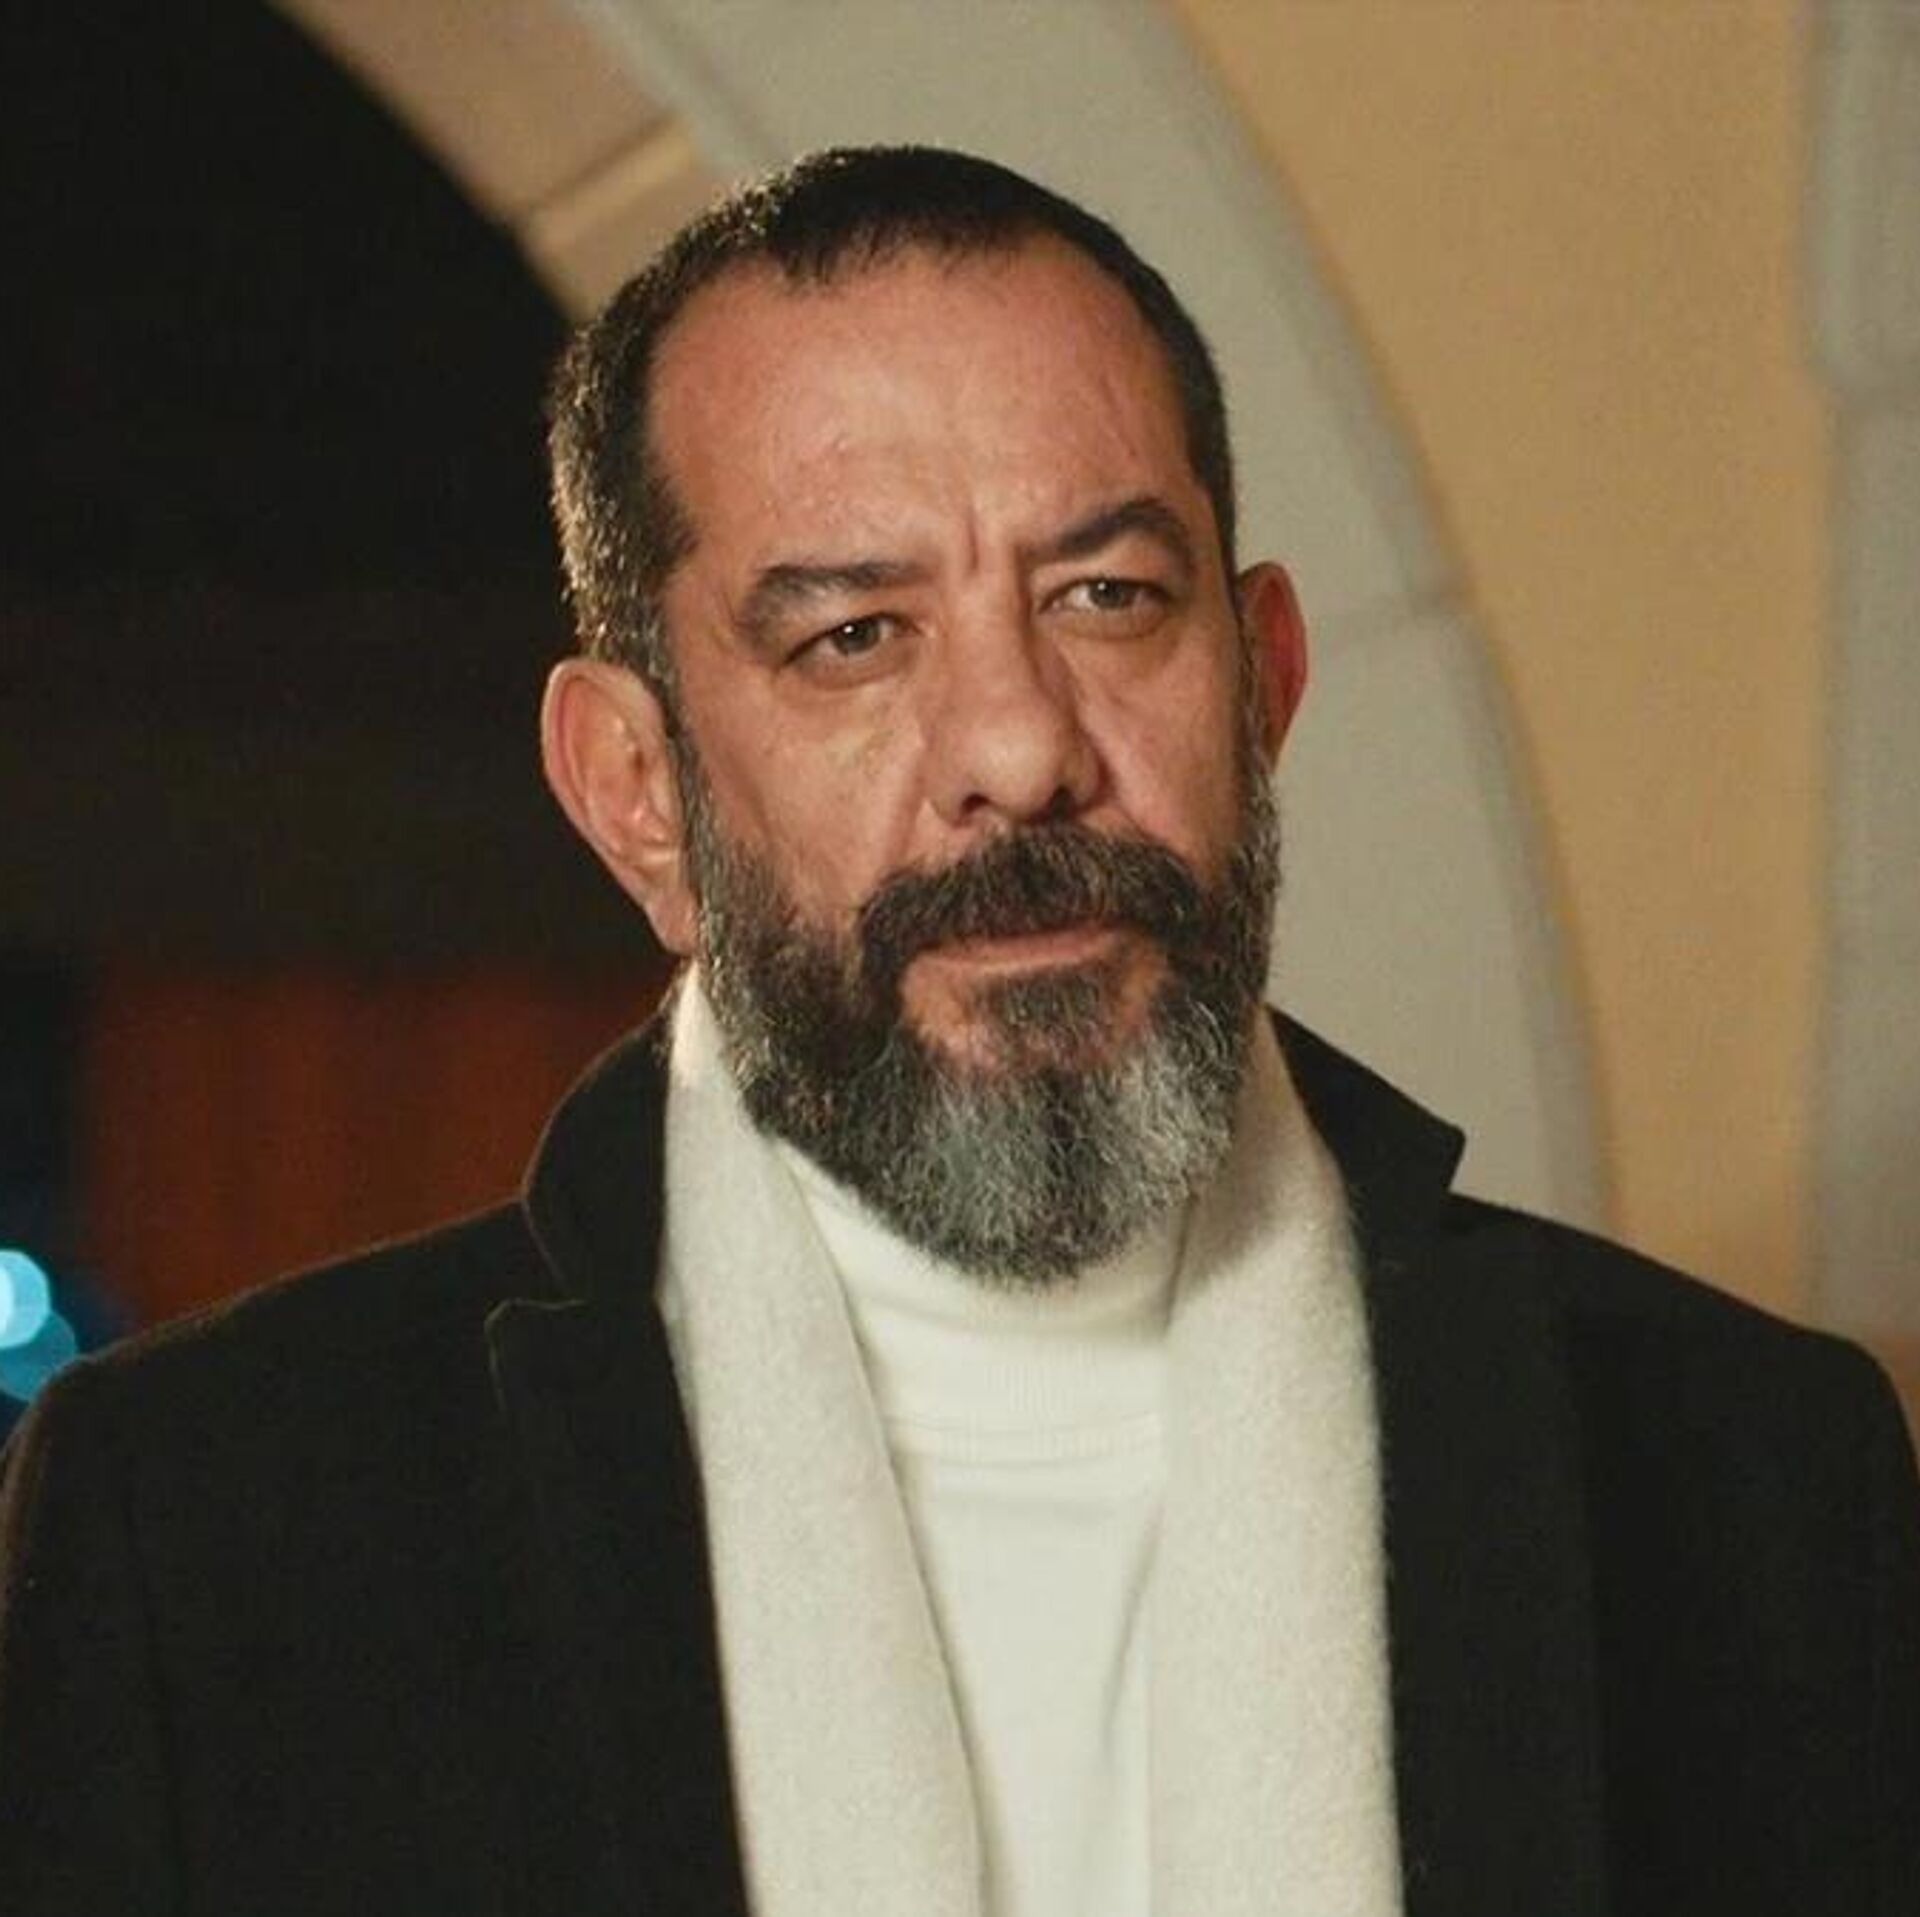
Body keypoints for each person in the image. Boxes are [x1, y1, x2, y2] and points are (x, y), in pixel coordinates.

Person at [2, 146, 1915, 1917]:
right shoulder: (207, 1528)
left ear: (1262, 680)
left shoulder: (1749, 1474)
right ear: (638, 793)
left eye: (1108, 595)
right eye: (855, 635)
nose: (1018, 745)